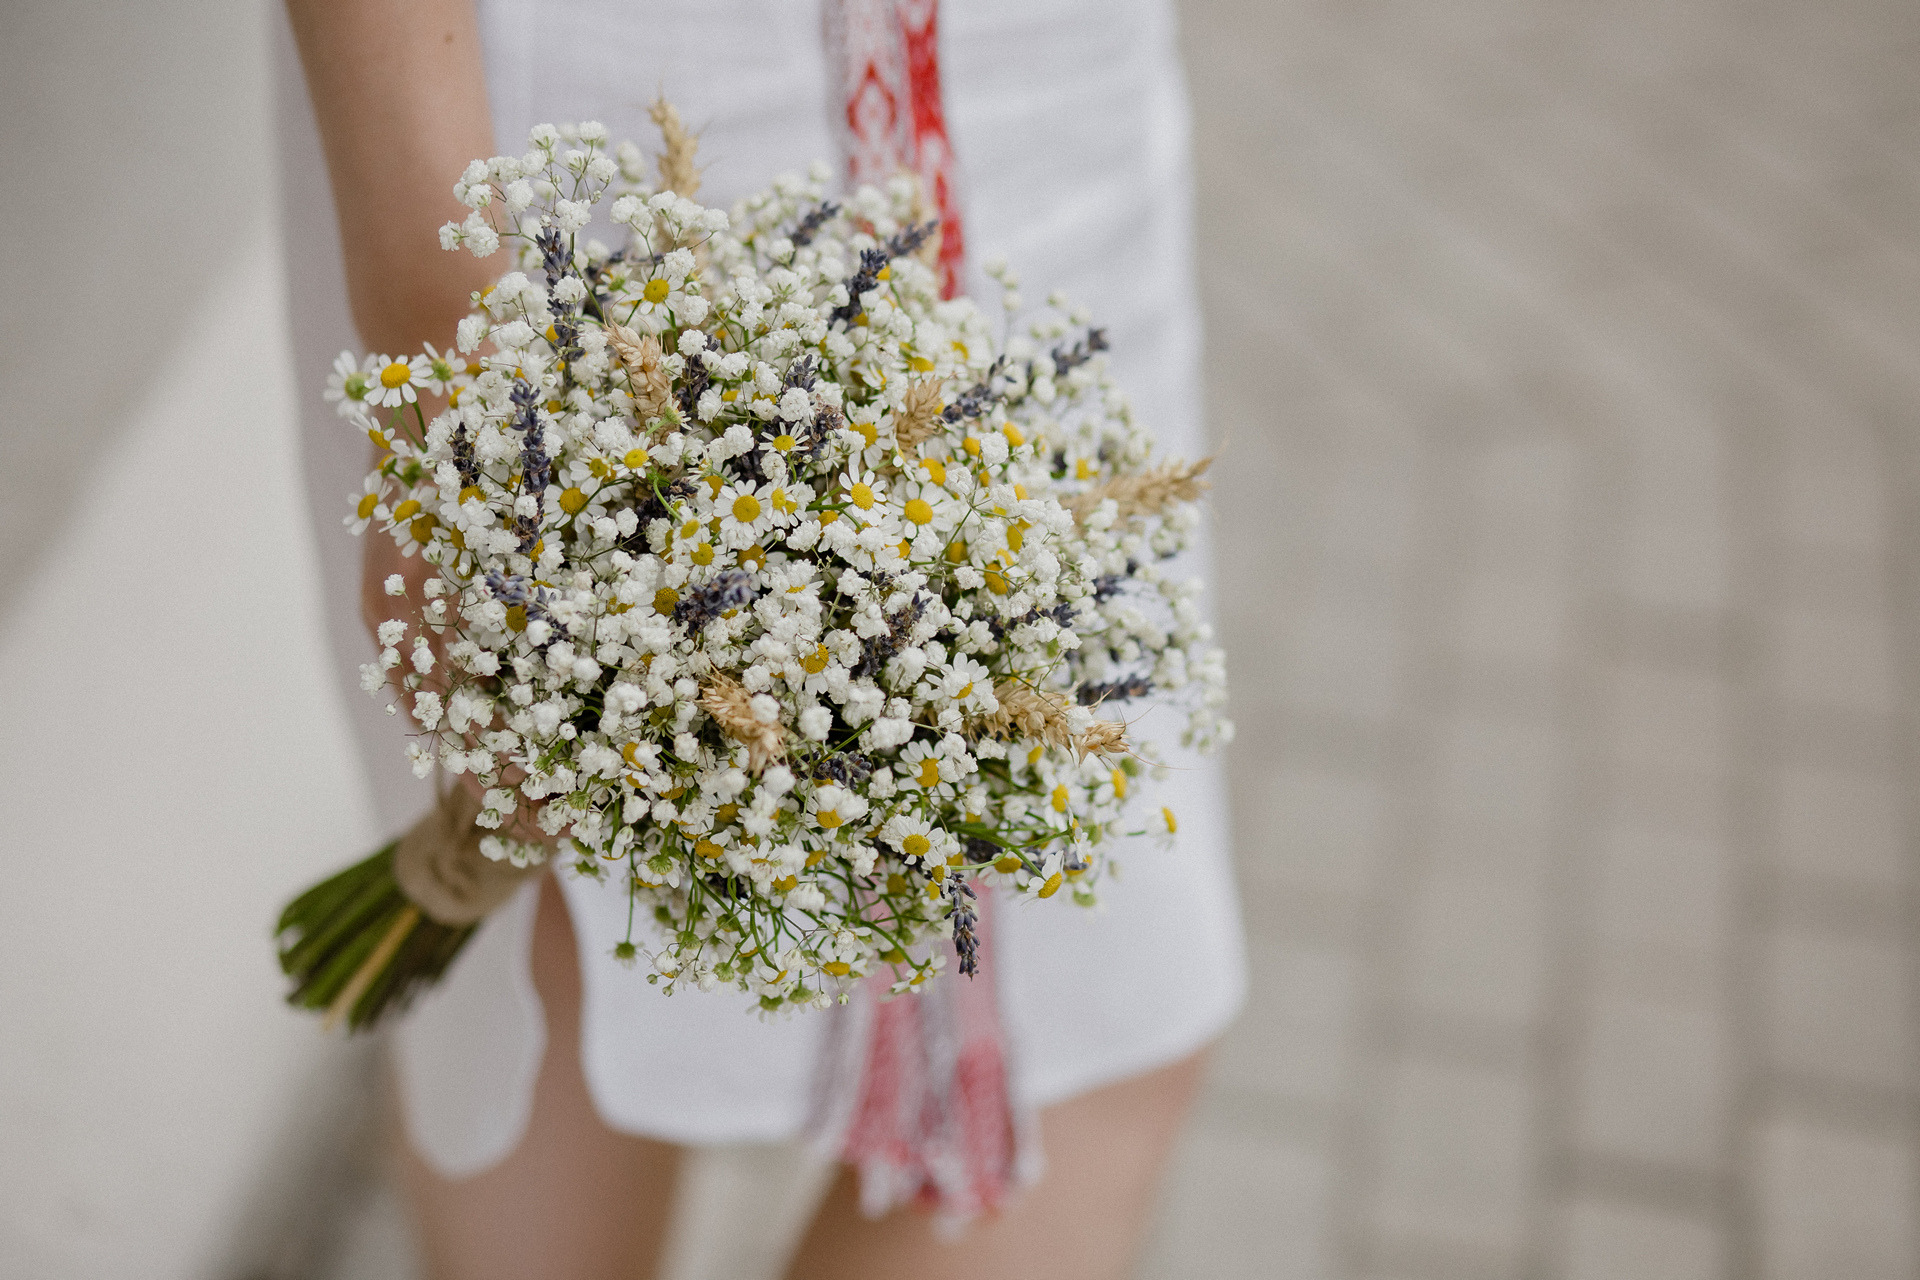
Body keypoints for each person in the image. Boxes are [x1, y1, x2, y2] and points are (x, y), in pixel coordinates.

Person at [278, 2, 1244, 1277]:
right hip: (605, 90)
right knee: (555, 927)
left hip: (1045, 80)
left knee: (1095, 1030)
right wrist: (450, 364)